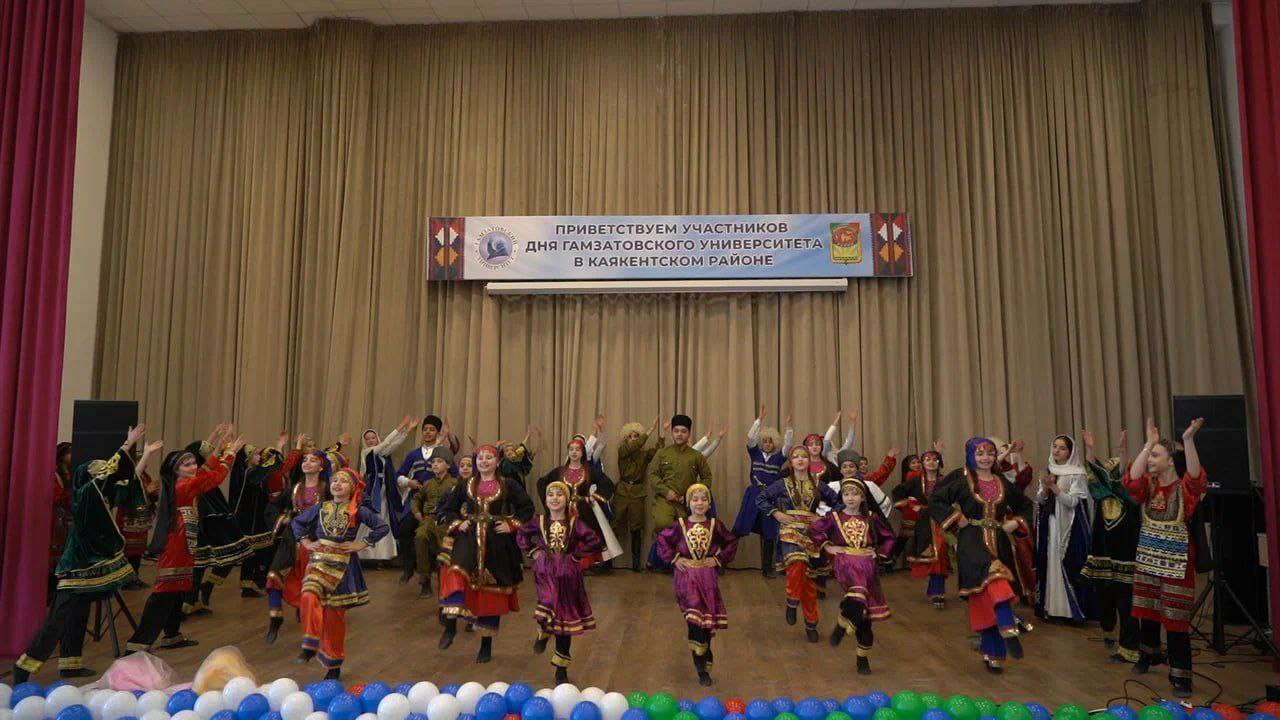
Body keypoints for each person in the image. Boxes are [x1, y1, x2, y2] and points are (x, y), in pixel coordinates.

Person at [13, 427, 152, 682]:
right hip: (77, 564)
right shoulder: (84, 494)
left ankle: (70, 662)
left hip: (90, 563)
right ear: (87, 476)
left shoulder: (100, 496)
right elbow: (108, 474)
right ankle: (24, 666)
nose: (103, 472)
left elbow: (128, 483)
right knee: (58, 618)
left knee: (79, 613)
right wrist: (126, 444)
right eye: (98, 470)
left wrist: (145, 455)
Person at [126, 425, 244, 654]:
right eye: (187, 465)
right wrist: (230, 454)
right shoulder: (185, 486)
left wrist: (219, 450)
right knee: (165, 590)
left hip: (185, 540)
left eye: (192, 463)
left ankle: (172, 635)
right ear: (176, 471)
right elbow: (215, 477)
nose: (193, 467)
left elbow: (205, 469)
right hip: (176, 542)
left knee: (178, 588)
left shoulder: (186, 481)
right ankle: (138, 642)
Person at [929, 437, 1035, 674]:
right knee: (995, 576)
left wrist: (1015, 522)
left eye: (990, 453)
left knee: (982, 597)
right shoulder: (962, 481)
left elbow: (1026, 506)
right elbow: (936, 500)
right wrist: (957, 519)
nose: (986, 458)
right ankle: (1008, 625)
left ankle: (994, 655)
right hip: (972, 540)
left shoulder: (1002, 482)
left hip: (999, 540)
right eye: (980, 454)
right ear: (971, 456)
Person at [1126, 417, 1207, 699]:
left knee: (1175, 618)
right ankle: (1148, 654)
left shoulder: (1184, 489)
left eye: (1155, 455)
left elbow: (1196, 478)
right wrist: (1148, 444)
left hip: (1176, 563)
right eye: (1150, 455)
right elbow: (1131, 479)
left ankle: (1180, 675)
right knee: (1146, 610)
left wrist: (1188, 440)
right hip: (1147, 557)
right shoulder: (1147, 486)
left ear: (1171, 461)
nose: (1150, 460)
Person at [437, 444, 535, 662]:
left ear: (497, 461)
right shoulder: (466, 484)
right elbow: (448, 509)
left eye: (489, 457)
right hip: (469, 538)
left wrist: (511, 525)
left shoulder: (508, 484)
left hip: (496, 542)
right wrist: (458, 523)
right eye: (480, 458)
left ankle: (486, 645)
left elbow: (527, 508)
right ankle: (450, 625)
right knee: (456, 572)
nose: (484, 461)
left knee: (492, 592)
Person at [291, 467, 389, 679]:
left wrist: (362, 543)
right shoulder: (320, 507)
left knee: (334, 618)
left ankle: (333, 665)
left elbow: (382, 527)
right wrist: (305, 542)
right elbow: (297, 521)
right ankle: (309, 644)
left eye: (343, 481)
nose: (337, 484)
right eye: (335, 480)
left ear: (352, 488)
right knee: (308, 594)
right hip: (318, 562)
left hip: (343, 567)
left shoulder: (358, 511)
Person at [516, 481, 604, 685]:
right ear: (546, 500)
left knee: (564, 622)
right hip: (545, 572)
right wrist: (533, 552)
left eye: (559, 495)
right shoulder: (538, 521)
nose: (555, 498)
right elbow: (521, 534)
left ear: (567, 499)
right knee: (547, 603)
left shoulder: (575, 523)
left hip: (568, 575)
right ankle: (543, 630)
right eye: (551, 495)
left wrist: (576, 555)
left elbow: (595, 540)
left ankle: (561, 667)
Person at [654, 483, 738, 686]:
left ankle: (705, 653)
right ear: (688, 503)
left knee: (705, 623)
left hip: (708, 579)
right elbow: (662, 540)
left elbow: (731, 542)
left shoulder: (715, 525)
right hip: (686, 579)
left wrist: (717, 559)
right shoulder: (680, 525)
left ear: (709, 503)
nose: (699, 503)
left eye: (704, 499)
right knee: (694, 619)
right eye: (695, 499)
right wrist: (675, 559)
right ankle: (700, 667)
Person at [809, 478, 895, 674]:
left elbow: (889, 537)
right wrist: (828, 546)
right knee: (857, 592)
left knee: (865, 620)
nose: (850, 498)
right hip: (846, 562)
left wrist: (879, 552)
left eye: (855, 494)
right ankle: (841, 626)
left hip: (868, 566)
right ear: (842, 497)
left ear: (863, 497)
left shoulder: (871, 518)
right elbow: (815, 529)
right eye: (846, 494)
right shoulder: (834, 517)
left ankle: (861, 656)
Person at [758, 445, 841, 642]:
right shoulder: (782, 484)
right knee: (797, 562)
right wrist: (776, 513)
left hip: (812, 533)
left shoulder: (819, 484)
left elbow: (840, 502)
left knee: (809, 581)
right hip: (790, 530)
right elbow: (761, 498)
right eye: (796, 457)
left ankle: (811, 623)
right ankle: (792, 601)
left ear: (809, 461)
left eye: (804, 456)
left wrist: (823, 518)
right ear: (791, 462)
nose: (800, 459)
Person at [1079, 428, 1141, 664]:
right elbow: (1093, 473)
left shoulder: (1128, 494)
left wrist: (1121, 450)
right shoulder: (1100, 495)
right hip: (1103, 545)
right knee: (1105, 591)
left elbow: (1122, 475)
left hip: (1125, 545)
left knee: (1125, 596)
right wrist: (1090, 449)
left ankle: (1129, 646)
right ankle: (1108, 630)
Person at [263, 437, 320, 645]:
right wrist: (282, 519)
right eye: (305, 460)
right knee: (274, 575)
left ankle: (308, 627)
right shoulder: (295, 488)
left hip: (315, 541)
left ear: (321, 466)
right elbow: (272, 507)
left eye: (313, 460)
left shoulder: (327, 489)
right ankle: (275, 618)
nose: (307, 463)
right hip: (291, 540)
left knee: (309, 584)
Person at [1034, 435, 1095, 622]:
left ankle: (1070, 611)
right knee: (1050, 564)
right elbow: (1040, 499)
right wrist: (1045, 489)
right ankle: (1051, 608)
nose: (1057, 451)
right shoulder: (1048, 470)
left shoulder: (1077, 473)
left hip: (1068, 528)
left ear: (1070, 452)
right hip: (1050, 525)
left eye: (1062, 448)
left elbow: (1073, 502)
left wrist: (1054, 487)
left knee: (1067, 565)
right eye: (1055, 446)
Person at [535, 437, 622, 570]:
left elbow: (606, 483)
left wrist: (594, 497)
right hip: (564, 511)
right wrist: (552, 499)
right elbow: (542, 482)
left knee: (584, 534)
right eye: (571, 449)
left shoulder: (588, 470)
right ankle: (562, 564)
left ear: (582, 453)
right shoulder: (560, 471)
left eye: (577, 450)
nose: (574, 452)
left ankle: (582, 565)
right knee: (564, 535)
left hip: (584, 511)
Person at [395, 414, 459, 582]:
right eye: (425, 429)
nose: (428, 432)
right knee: (404, 529)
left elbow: (455, 473)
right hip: (416, 498)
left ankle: (430, 569)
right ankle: (408, 567)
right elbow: (399, 474)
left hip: (437, 502)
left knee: (430, 535)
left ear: (438, 433)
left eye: (432, 429)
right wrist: (408, 482)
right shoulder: (413, 454)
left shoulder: (442, 453)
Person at [731, 405, 793, 578]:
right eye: (764, 441)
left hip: (770, 498)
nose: (767, 444)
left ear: (774, 443)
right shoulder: (755, 454)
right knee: (739, 529)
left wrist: (789, 428)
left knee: (769, 533)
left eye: (770, 441)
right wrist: (759, 420)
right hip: (753, 494)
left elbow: (788, 445)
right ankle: (722, 559)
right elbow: (750, 437)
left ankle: (767, 569)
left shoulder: (779, 458)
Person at [648, 414, 714, 570]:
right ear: (672, 432)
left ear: (689, 433)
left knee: (685, 532)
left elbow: (707, 477)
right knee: (663, 524)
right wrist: (666, 491)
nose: (679, 434)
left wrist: (693, 495)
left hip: (686, 504)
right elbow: (652, 474)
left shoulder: (696, 456)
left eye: (683, 431)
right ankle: (660, 560)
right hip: (665, 500)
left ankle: (674, 565)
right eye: (676, 431)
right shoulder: (662, 453)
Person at [359, 416, 416, 564]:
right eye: (367, 439)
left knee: (385, 516)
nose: (371, 441)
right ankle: (366, 552)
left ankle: (382, 553)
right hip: (373, 490)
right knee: (374, 516)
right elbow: (386, 442)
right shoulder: (367, 452)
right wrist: (400, 427)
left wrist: (407, 431)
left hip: (384, 488)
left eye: (373, 438)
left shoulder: (382, 454)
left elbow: (393, 445)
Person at [902, 446, 952, 608]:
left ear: (940, 462)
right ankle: (934, 588)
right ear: (922, 463)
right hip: (924, 523)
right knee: (930, 554)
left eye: (935, 459)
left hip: (941, 520)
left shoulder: (945, 481)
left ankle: (938, 591)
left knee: (940, 553)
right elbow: (900, 493)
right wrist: (913, 506)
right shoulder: (916, 480)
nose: (931, 462)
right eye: (927, 459)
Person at [614, 417, 664, 572]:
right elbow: (633, 447)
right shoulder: (622, 451)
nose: (633, 439)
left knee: (636, 529)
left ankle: (636, 565)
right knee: (614, 525)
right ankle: (606, 562)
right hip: (622, 492)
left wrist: (662, 435)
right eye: (630, 436)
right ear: (625, 439)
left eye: (636, 436)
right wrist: (649, 431)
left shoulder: (643, 455)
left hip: (637, 493)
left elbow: (658, 453)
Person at [411, 447, 459, 596]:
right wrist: (417, 512)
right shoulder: (427, 483)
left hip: (446, 521)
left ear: (448, 465)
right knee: (420, 536)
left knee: (444, 546)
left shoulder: (455, 483)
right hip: (429, 519)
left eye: (439, 461)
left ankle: (446, 581)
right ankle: (424, 579)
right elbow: (416, 499)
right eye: (433, 462)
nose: (435, 464)